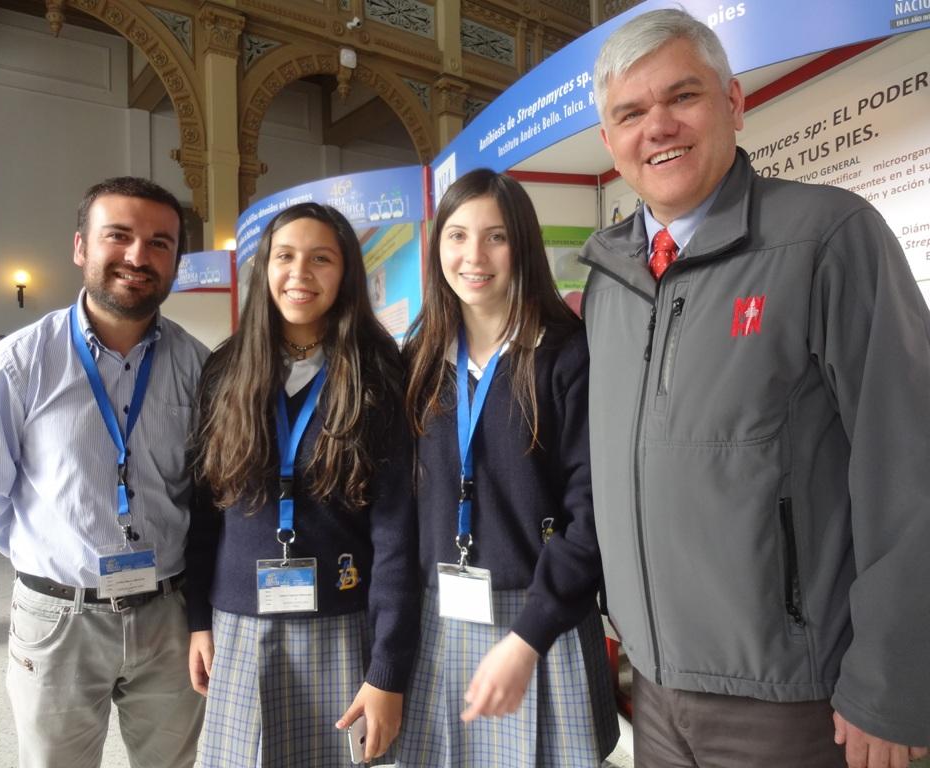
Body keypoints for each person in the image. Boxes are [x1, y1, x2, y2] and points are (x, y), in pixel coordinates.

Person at [581, 9, 930, 768]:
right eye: (631, 113)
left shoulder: (827, 240)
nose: (659, 127)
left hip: (792, 698)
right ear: (609, 144)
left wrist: (893, 683)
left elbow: (908, 468)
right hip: (656, 690)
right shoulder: (609, 279)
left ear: (734, 103)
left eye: (684, 97)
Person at [0, 176, 207, 768]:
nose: (138, 256)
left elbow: (205, 490)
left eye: (160, 243)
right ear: (80, 247)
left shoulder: (196, 363)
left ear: (175, 262)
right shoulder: (21, 362)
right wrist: (53, 555)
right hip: (57, 618)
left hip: (168, 613)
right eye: (118, 236)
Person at [396, 169, 618, 767]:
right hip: (440, 617)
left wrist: (531, 635)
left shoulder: (567, 354)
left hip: (544, 617)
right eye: (457, 235)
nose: (473, 256)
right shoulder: (418, 361)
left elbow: (592, 511)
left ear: (522, 244)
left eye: (495, 236)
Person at [184, 202, 418, 767]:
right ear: (264, 267)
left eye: (321, 259)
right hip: (238, 625)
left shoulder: (378, 372)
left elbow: (396, 534)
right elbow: (203, 508)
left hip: (342, 624)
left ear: (346, 273)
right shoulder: (226, 369)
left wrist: (387, 668)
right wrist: (196, 620)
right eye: (285, 257)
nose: (300, 274)